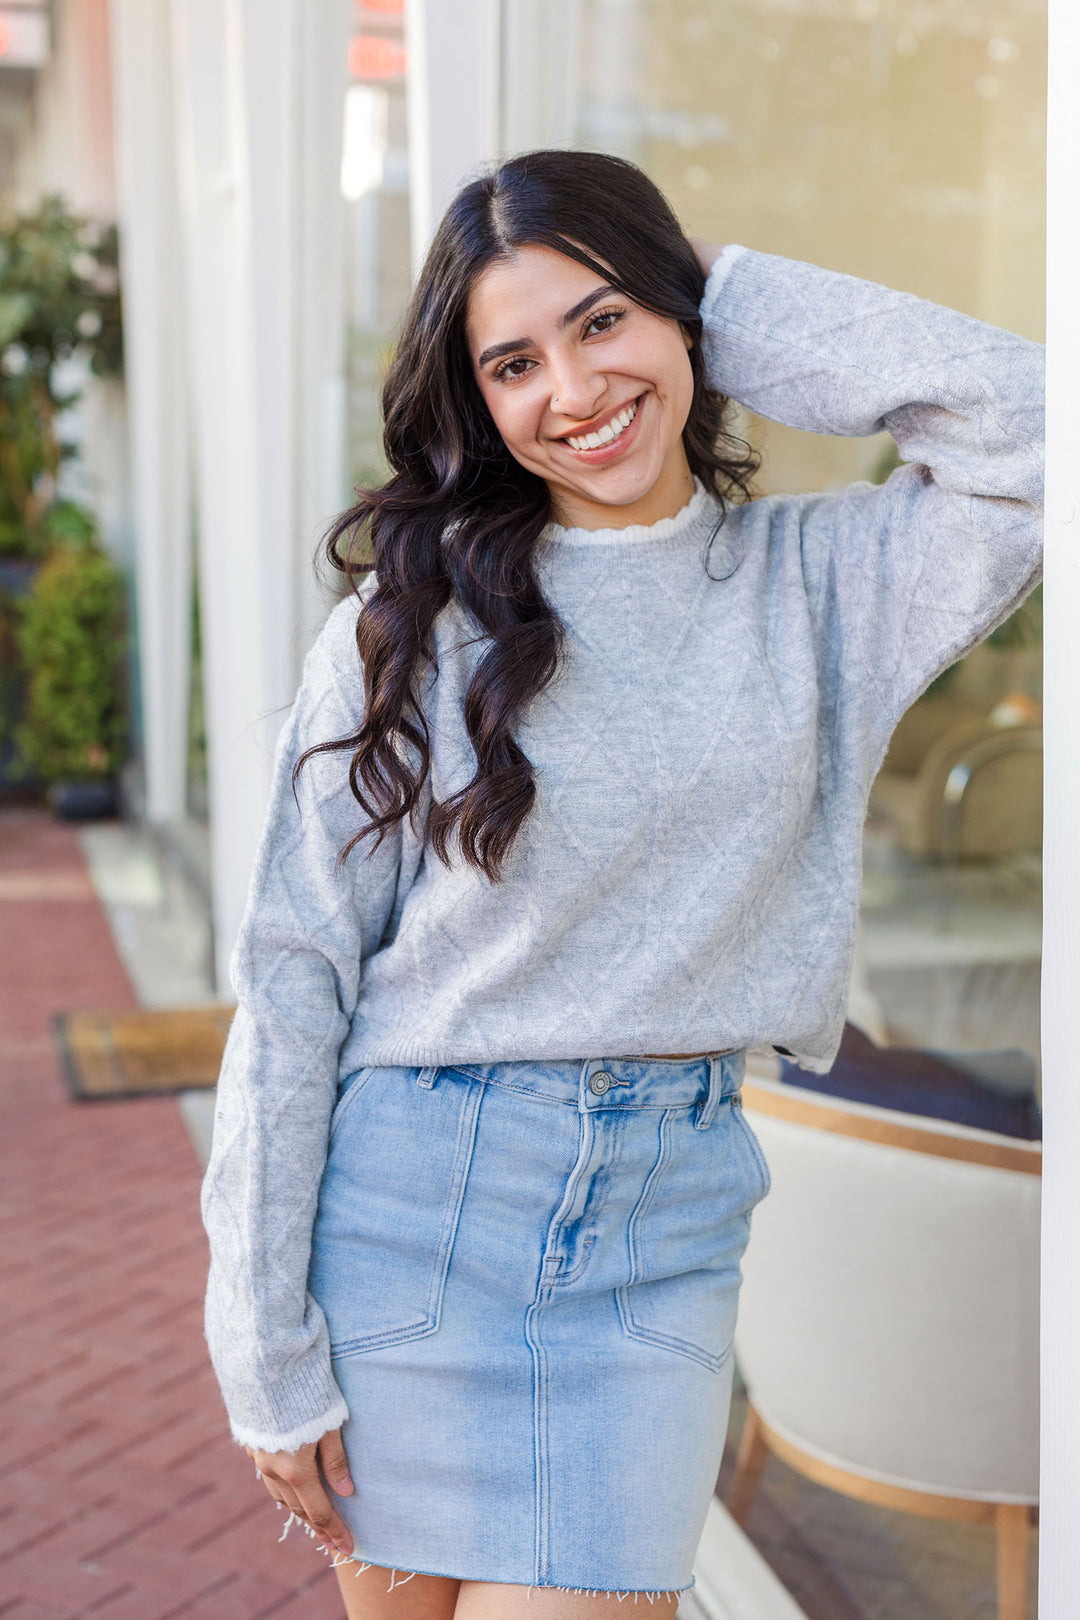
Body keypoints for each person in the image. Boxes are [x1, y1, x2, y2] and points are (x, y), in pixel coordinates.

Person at [200, 149, 1043, 1619]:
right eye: (514, 362)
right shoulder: (415, 626)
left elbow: (1038, 426)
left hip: (660, 1241)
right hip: (415, 1213)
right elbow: (292, 979)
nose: (573, 393)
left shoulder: (831, 580)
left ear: (681, 317)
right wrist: (263, 1344)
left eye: (605, 323)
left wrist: (737, 296)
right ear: (480, 403)